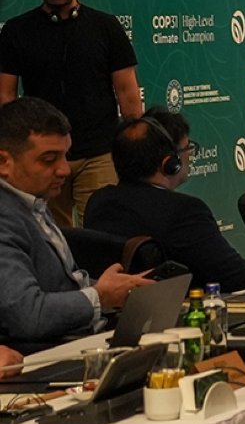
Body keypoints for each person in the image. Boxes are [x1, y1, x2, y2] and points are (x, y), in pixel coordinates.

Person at [0, 0, 143, 226]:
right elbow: (5, 95)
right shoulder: (16, 31)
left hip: (99, 153)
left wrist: (134, 148)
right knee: (52, 238)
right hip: (41, 154)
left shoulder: (106, 27)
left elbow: (127, 93)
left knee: (107, 233)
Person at [0, 98, 150, 353]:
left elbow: (63, 286)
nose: (64, 170)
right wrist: (100, 296)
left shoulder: (31, 203)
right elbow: (27, 315)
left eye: (65, 156)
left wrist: (122, 289)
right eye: (49, 159)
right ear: (4, 163)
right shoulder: (5, 218)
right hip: (50, 358)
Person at [84, 111, 245, 290]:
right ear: (171, 163)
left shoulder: (98, 202)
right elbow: (238, 278)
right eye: (188, 148)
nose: (190, 155)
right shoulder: (183, 212)